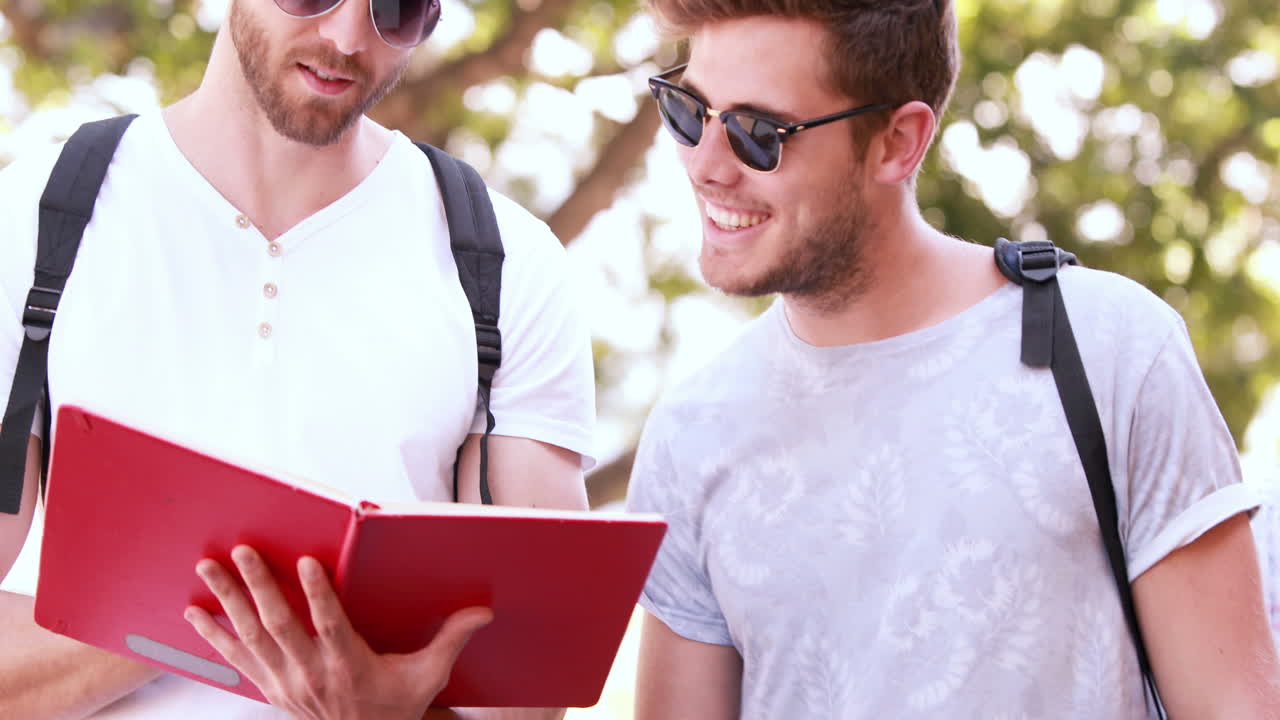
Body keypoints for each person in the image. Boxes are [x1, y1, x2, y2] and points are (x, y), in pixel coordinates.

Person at [624, 1, 1280, 717]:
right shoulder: (690, 436)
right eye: (689, 111)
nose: (705, 165)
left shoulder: (1112, 349)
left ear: (898, 143)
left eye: (757, 133)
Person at [0, 0, 595, 718]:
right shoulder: (30, 224)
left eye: (396, 9)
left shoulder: (509, 269)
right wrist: (219, 615)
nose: (347, 38)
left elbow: (527, 701)